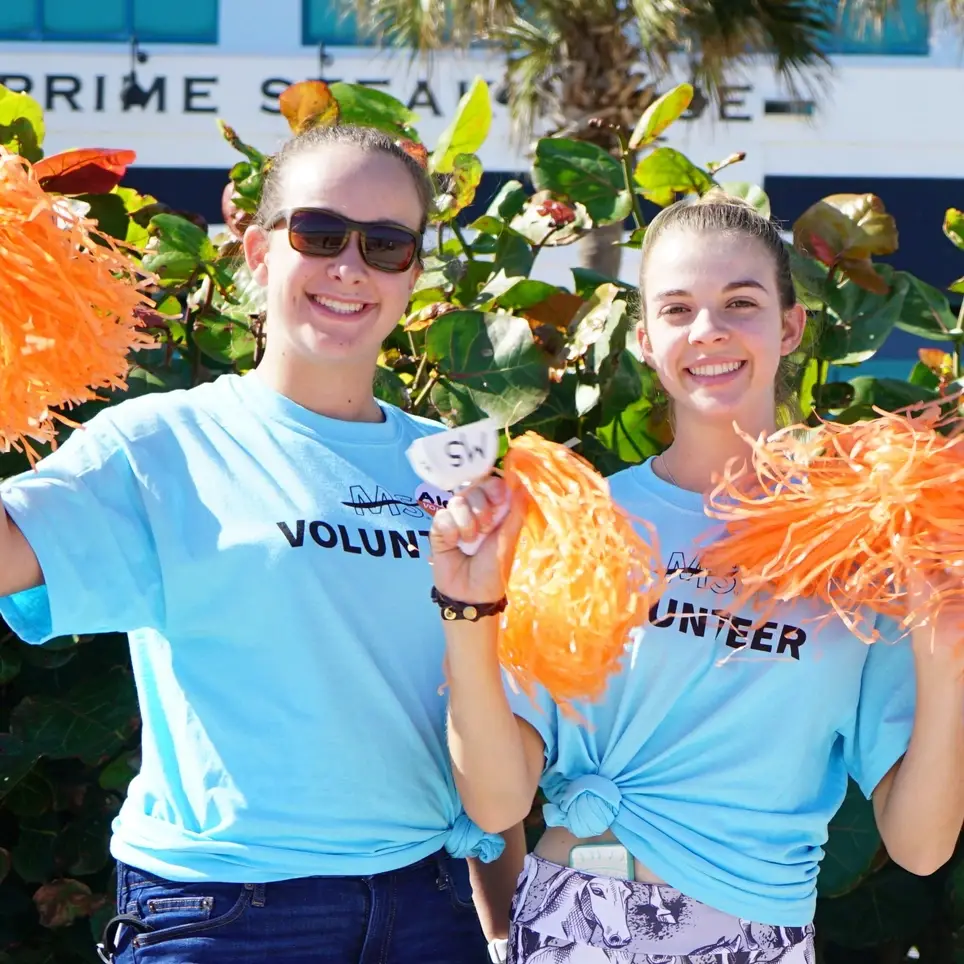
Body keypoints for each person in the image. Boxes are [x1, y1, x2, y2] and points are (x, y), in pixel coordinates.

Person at [0, 123, 523, 964]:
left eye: (386, 244)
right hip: (225, 915)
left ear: (413, 274)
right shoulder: (160, 443)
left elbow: (486, 713)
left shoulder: (456, 466)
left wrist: (506, 926)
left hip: (430, 907)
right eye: (320, 233)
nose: (350, 266)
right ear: (257, 251)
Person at [428, 194, 964, 963]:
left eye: (739, 303)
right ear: (647, 340)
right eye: (678, 309)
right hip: (575, 927)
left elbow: (920, 846)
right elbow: (498, 800)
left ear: (790, 326)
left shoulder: (861, 546)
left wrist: (946, 656)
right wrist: (467, 613)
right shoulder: (585, 523)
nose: (707, 330)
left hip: (756, 939)